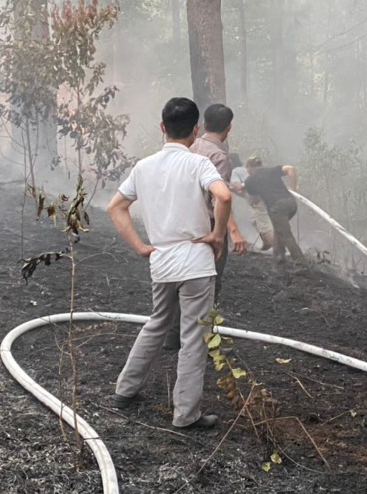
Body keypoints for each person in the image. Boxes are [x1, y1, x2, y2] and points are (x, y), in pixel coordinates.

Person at [107, 97, 233, 429]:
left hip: (161, 262)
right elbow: (223, 195)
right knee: (194, 337)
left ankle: (125, 389)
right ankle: (185, 414)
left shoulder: (143, 167)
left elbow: (115, 207)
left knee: (157, 322)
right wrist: (218, 234)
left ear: (162, 128)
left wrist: (139, 246)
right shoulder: (199, 164)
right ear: (195, 130)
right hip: (195, 263)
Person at [188, 103, 248, 301]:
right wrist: (233, 230)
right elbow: (219, 199)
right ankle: (206, 326)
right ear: (229, 128)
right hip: (211, 225)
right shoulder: (219, 157)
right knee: (211, 279)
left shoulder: (191, 146)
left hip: (186, 219)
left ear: (204, 124)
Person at [241, 157, 307, 267]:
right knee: (279, 228)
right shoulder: (272, 170)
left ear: (249, 167)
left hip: (277, 207)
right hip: (291, 204)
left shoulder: (250, 180)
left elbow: (255, 199)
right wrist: (293, 189)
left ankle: (301, 261)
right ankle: (279, 255)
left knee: (286, 234)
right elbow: (291, 169)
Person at [229, 153, 275, 251]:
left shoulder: (235, 171)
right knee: (254, 220)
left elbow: (237, 186)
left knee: (263, 225)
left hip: (258, 199)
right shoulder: (246, 170)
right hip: (269, 197)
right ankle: (267, 242)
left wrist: (223, 186)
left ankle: (279, 249)